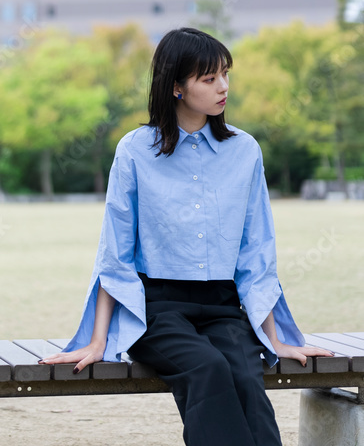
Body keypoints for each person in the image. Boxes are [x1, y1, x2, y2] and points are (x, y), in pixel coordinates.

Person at [38, 26, 333, 446]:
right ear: (177, 87)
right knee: (207, 369)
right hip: (158, 309)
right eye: (209, 79)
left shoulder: (245, 150)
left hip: (225, 306)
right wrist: (99, 340)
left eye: (225, 75)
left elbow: (256, 252)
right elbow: (115, 253)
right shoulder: (135, 150)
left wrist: (275, 338)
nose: (223, 87)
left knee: (247, 378)